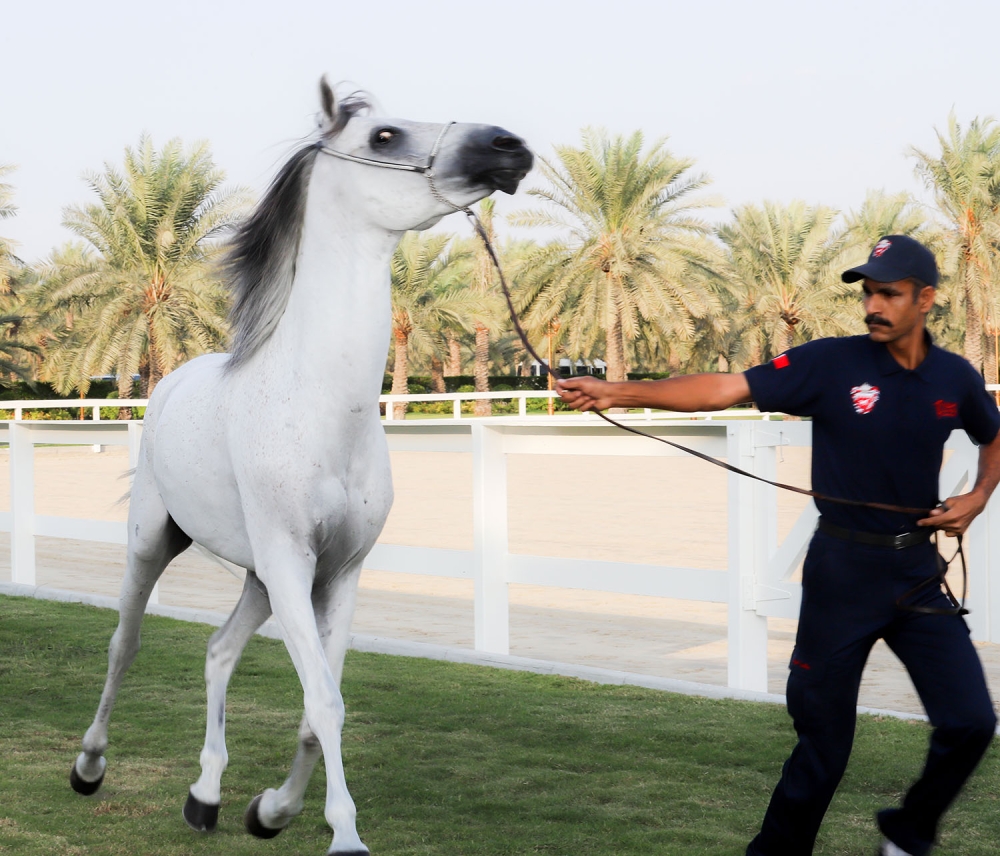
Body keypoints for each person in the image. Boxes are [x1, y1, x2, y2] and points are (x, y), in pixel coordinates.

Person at [556, 235, 1000, 856]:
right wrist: (616, 391)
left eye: (890, 293)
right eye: (868, 292)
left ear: (926, 299)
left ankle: (907, 834)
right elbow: (721, 389)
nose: (874, 304)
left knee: (972, 722)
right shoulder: (830, 363)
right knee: (825, 744)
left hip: (918, 572)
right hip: (842, 573)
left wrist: (977, 497)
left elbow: (993, 434)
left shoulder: (955, 375)